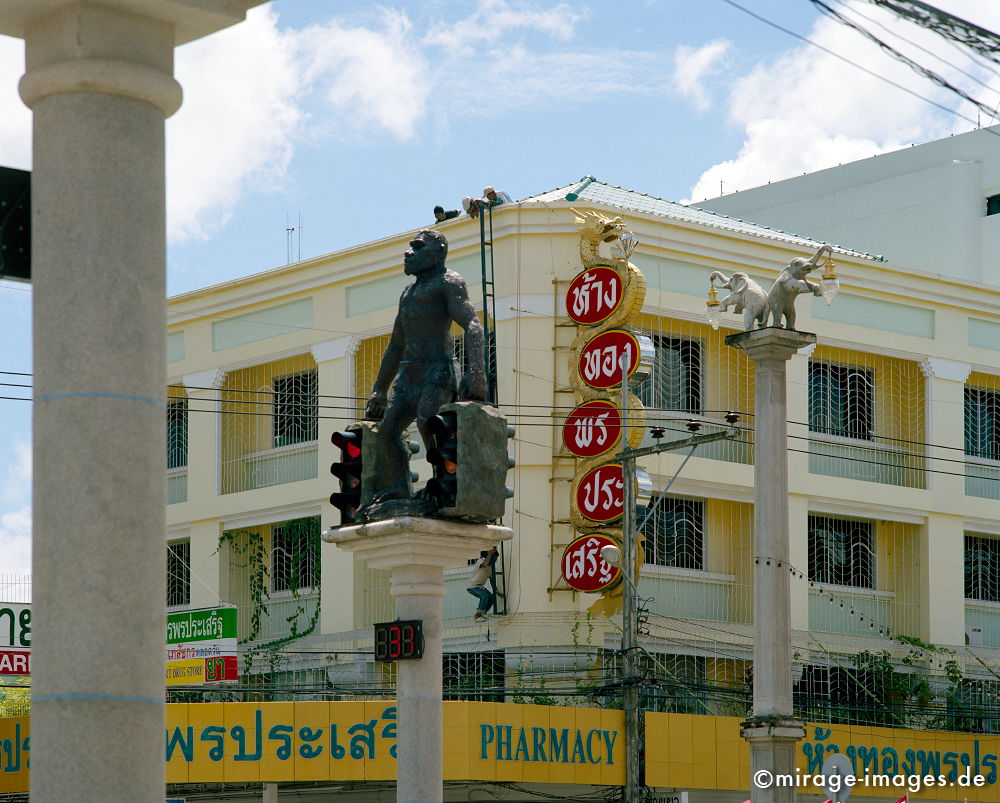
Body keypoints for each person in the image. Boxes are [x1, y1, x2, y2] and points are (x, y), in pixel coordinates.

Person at [363, 228, 486, 504]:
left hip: (438, 369)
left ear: (439, 251)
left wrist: (476, 371)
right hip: (409, 373)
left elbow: (472, 324)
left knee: (427, 422)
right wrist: (379, 390)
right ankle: (400, 485)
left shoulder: (448, 282)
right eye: (411, 247)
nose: (409, 253)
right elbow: (396, 344)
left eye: (418, 247)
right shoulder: (408, 292)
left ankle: (442, 482)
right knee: (387, 430)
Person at [468, 546, 499, 622]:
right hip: (472, 586)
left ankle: (482, 613)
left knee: (491, 598)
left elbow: (492, 581)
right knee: (484, 596)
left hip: (480, 586)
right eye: (494, 559)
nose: (495, 561)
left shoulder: (490, 568)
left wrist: (497, 591)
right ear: (489, 557)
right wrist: (490, 554)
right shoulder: (480, 561)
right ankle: (477, 616)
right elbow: (485, 564)